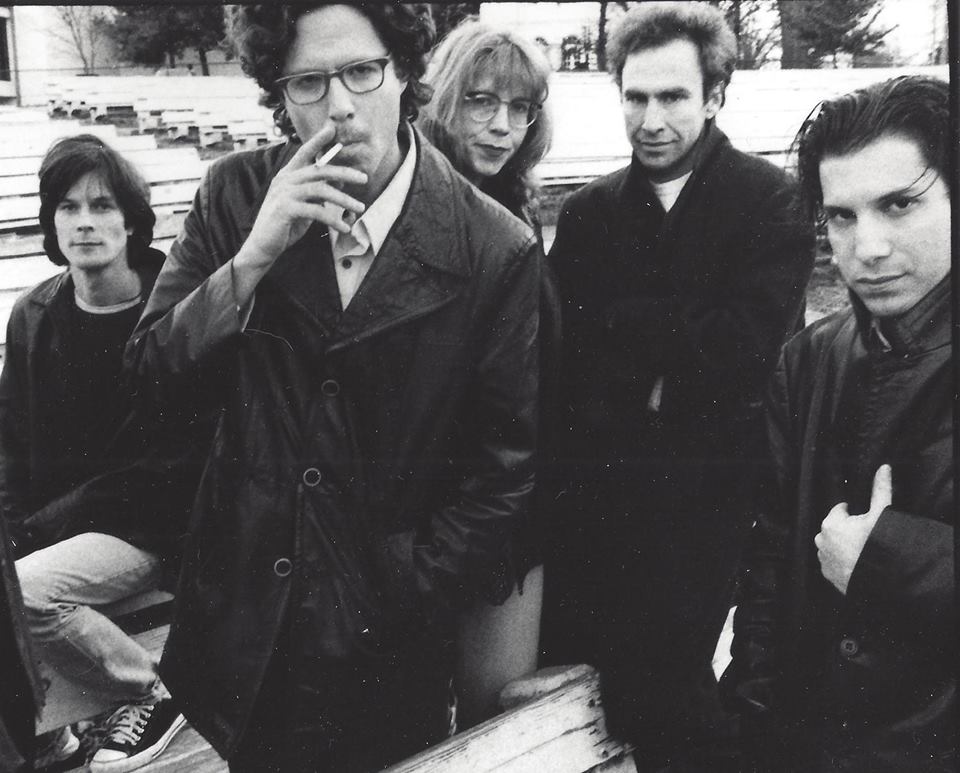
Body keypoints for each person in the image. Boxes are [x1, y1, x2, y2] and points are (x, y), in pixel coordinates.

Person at [124, 4, 541, 772]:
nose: (339, 105)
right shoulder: (235, 194)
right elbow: (152, 380)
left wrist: (394, 589)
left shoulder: (494, 247)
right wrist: (252, 259)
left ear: (404, 71)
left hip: (383, 647)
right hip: (249, 626)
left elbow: (500, 476)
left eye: (361, 71)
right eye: (308, 82)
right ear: (279, 94)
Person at [544, 3, 815, 769]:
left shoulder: (770, 201)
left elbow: (744, 351)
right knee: (588, 689)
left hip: (718, 499)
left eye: (672, 96)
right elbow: (569, 365)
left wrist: (627, 334)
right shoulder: (590, 212)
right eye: (635, 97)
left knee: (671, 692)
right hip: (603, 503)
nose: (651, 119)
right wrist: (668, 360)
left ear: (715, 95)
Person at [721, 75, 954, 773]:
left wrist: (888, 561)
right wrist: (753, 714)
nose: (868, 247)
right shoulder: (811, 359)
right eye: (842, 216)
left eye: (899, 205)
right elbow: (769, 563)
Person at [0, 134, 202, 772]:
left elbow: (168, 469)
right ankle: (45, 736)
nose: (84, 222)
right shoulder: (34, 313)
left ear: (132, 222)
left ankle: (151, 692)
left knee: (23, 592)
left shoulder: (175, 306)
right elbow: (11, 444)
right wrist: (14, 527)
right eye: (68, 207)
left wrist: (36, 532)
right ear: (51, 223)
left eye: (102, 205)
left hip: (154, 527)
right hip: (62, 526)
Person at [418, 17, 559, 728]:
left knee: (494, 721)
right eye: (481, 101)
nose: (502, 126)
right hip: (426, 519)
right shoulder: (413, 206)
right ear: (444, 98)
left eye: (520, 107)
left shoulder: (515, 210)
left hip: (509, 514)